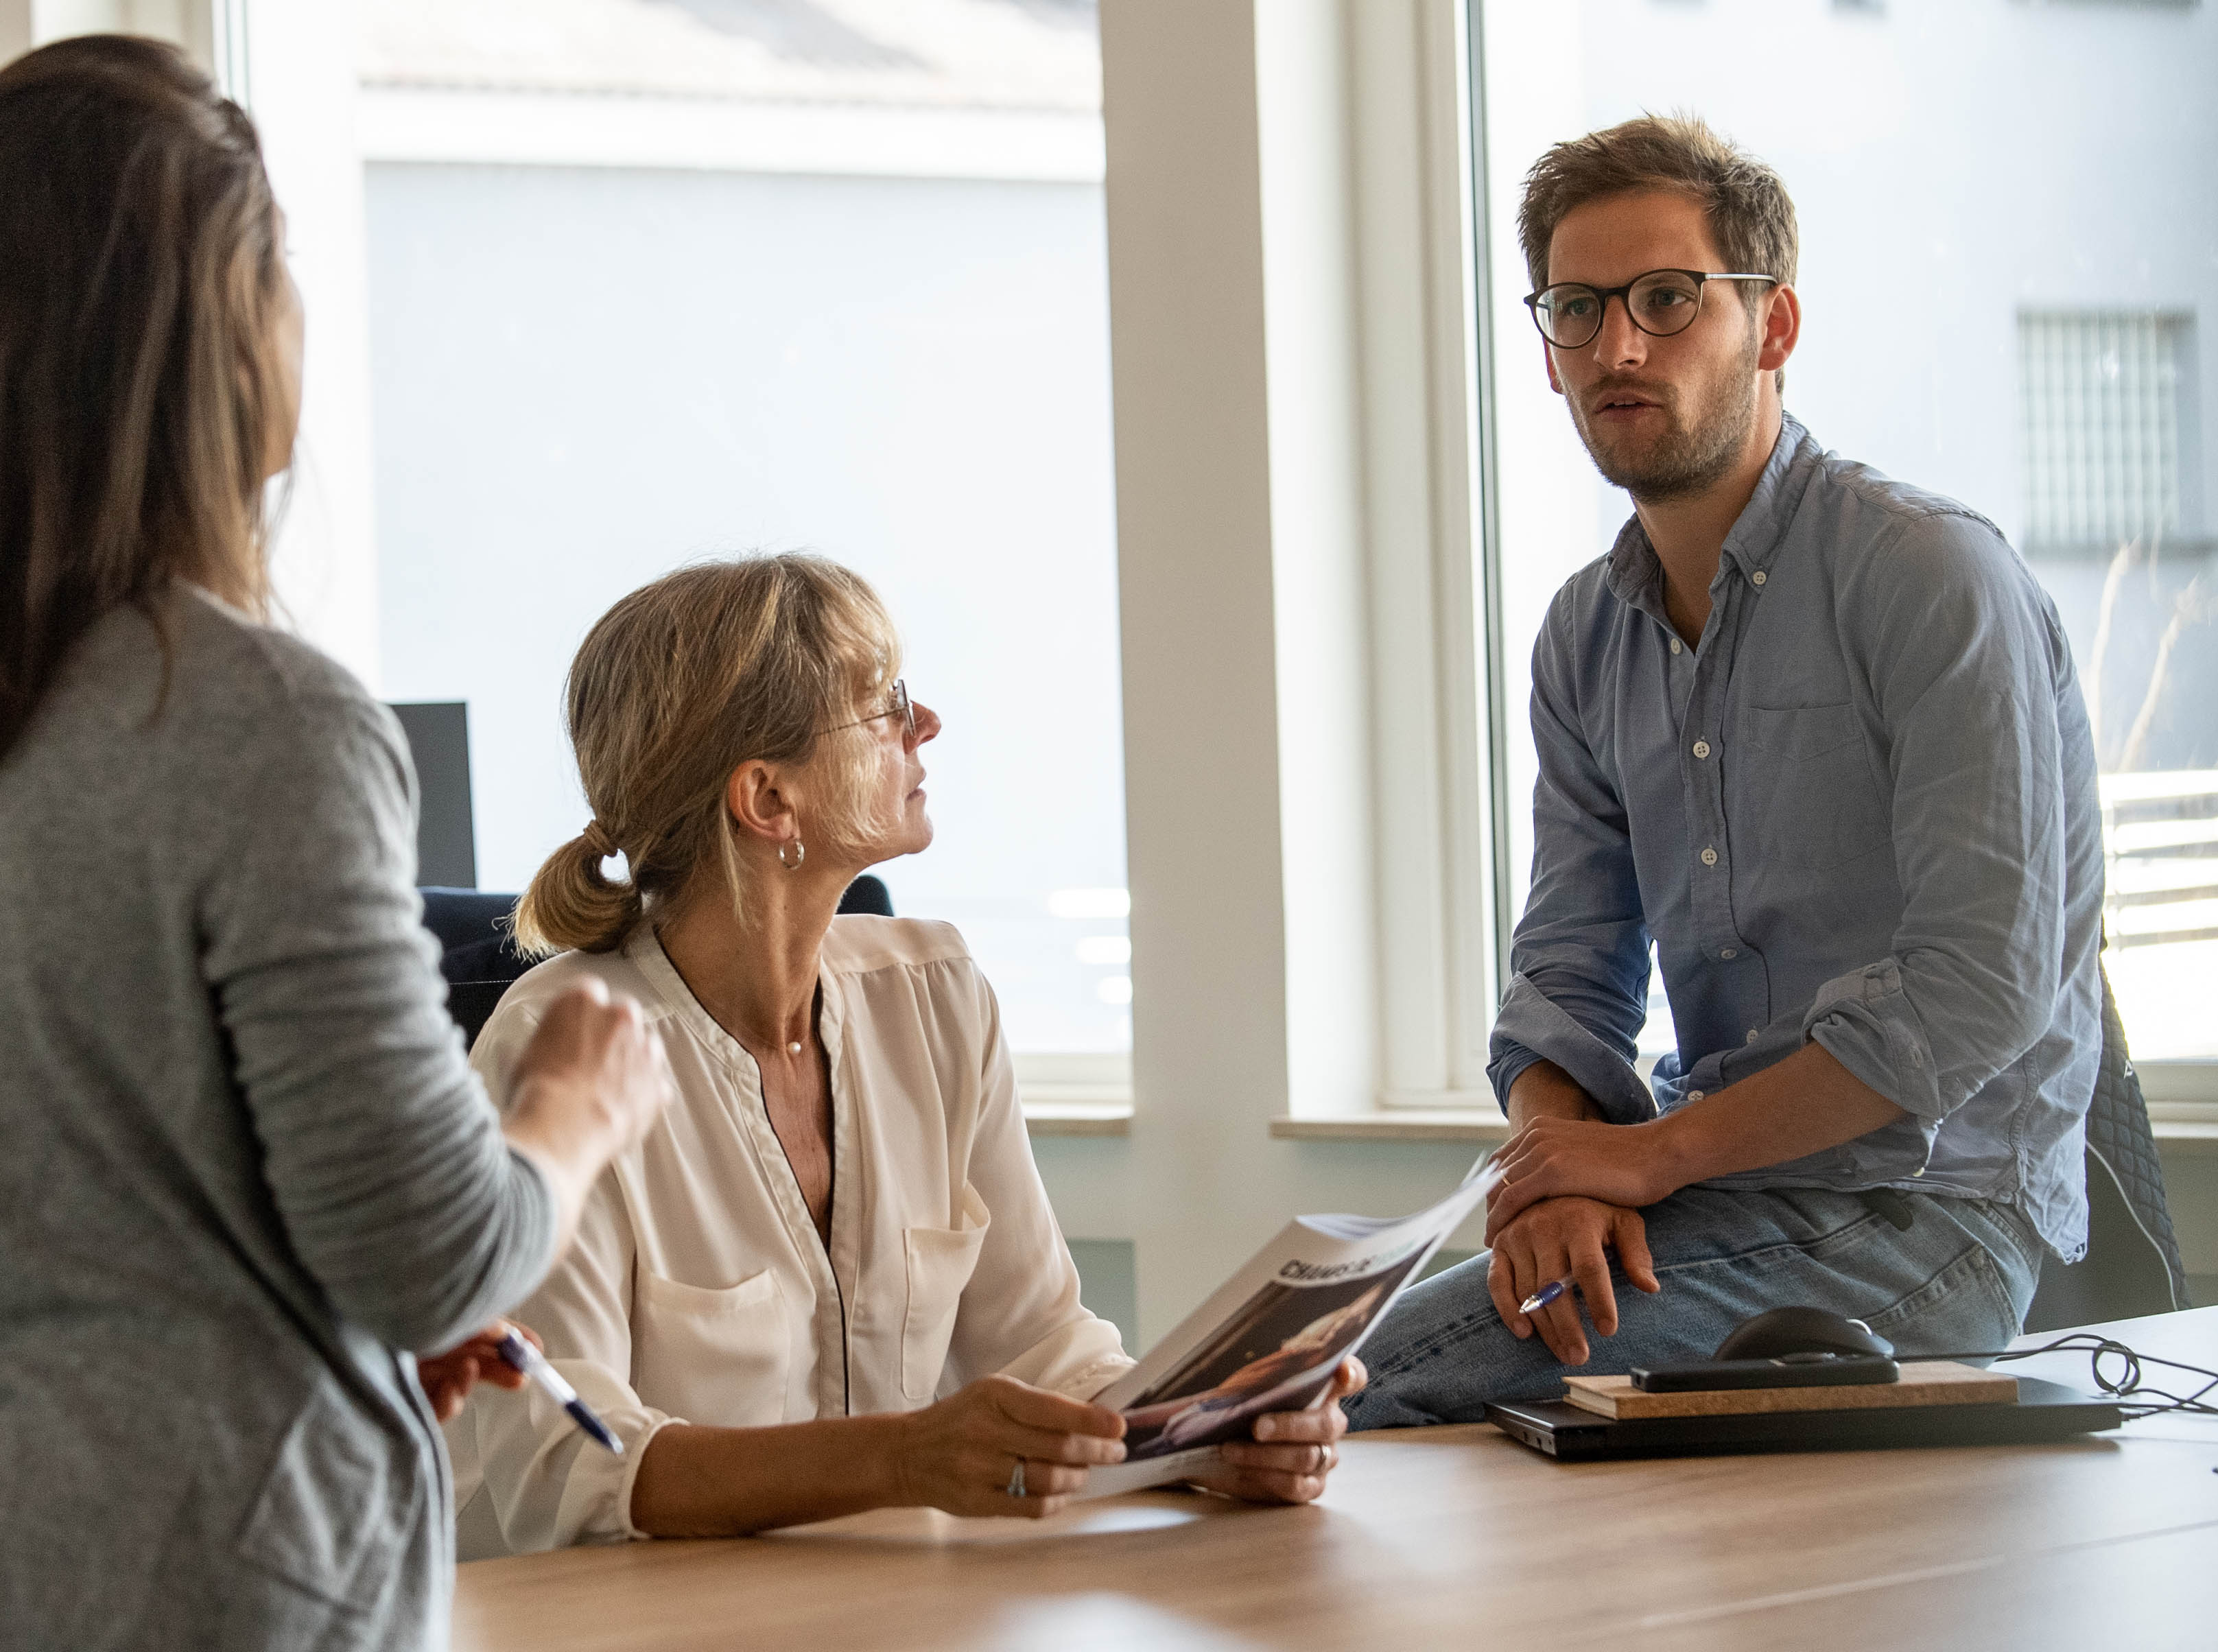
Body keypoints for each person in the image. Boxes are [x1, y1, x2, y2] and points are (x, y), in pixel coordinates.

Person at [0, 36, 673, 1651]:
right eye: (282, 263)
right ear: (213, 339)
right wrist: (565, 1112)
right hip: (212, 1583)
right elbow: (442, 1252)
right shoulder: (257, 722)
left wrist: (325, 1323)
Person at [1347, 115, 2099, 1428]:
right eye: (1576, 309)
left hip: (1929, 1226)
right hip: (1718, 1202)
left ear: (1775, 325)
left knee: (1337, 1388)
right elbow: (1567, 977)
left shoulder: (1928, 576)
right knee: (1326, 1366)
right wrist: (1561, 1170)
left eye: (1667, 301)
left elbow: (1977, 989)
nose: (1616, 348)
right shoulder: (1585, 633)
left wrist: (1642, 1159)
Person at [449, 555, 1360, 1555]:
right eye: (884, 704)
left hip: (890, 1604)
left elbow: (1044, 1348)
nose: (923, 726)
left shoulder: (936, 994)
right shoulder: (555, 1051)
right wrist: (900, 1457)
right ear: (768, 799)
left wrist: (1203, 1435)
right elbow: (562, 1470)